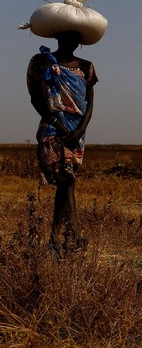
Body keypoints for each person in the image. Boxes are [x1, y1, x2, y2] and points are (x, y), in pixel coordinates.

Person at [27, 30, 97, 254]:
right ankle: (73, 233)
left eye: (75, 39)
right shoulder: (41, 62)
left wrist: (79, 130)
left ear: (80, 42)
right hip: (52, 127)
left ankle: (56, 238)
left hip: (77, 131)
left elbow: (89, 102)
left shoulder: (86, 67)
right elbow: (36, 98)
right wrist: (59, 126)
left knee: (68, 180)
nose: (71, 43)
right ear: (56, 38)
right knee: (65, 178)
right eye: (66, 38)